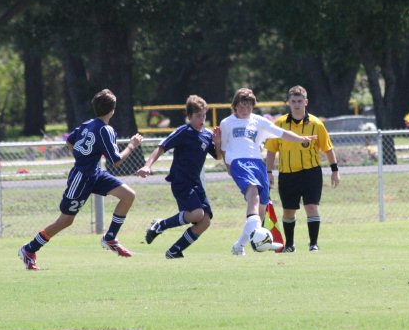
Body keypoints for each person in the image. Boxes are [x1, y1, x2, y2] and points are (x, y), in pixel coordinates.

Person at [18, 89, 143, 270]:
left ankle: (110, 238)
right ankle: (29, 249)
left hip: (95, 173)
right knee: (65, 221)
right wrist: (132, 145)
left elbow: (69, 142)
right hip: (82, 177)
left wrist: (84, 156)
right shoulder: (105, 130)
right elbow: (116, 161)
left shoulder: (88, 124)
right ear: (113, 110)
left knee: (128, 195)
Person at [220, 88, 318, 256]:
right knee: (254, 194)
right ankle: (255, 240)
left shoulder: (258, 121)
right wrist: (228, 167)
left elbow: (281, 133)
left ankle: (239, 246)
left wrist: (300, 139)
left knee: (261, 208)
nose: (245, 109)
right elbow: (223, 148)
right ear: (235, 106)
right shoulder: (226, 123)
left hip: (258, 163)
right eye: (242, 106)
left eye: (249, 106)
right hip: (239, 162)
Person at [138, 95, 222, 259]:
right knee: (197, 214)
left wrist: (218, 142)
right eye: (198, 116)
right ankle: (161, 225)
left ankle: (174, 250)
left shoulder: (206, 134)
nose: (202, 119)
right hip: (180, 181)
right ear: (189, 116)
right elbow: (161, 147)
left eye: (204, 115)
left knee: (205, 222)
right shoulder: (184, 131)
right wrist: (147, 166)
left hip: (196, 183)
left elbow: (218, 156)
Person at [264, 85, 339, 252]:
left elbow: (327, 148)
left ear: (306, 102)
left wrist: (335, 170)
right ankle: (289, 245)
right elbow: (271, 150)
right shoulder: (280, 124)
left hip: (311, 173)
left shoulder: (316, 124)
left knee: (311, 207)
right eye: (293, 101)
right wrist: (268, 172)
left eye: (300, 101)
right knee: (289, 211)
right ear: (288, 103)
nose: (297, 104)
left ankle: (313, 244)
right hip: (287, 174)